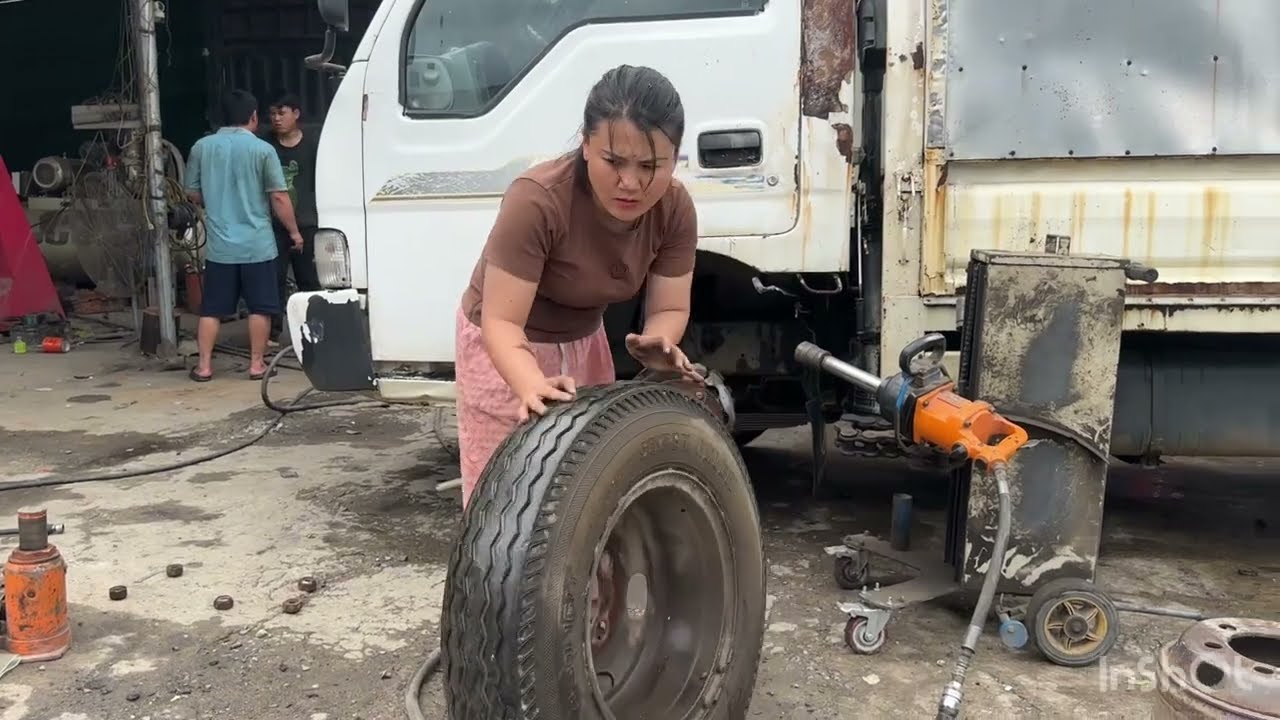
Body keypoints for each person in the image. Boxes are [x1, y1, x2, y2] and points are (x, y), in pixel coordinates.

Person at [454, 64, 702, 509]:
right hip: (506, 347)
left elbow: (669, 308)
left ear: (675, 157)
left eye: (650, 166)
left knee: (584, 490)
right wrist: (531, 385)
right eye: (614, 161)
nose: (631, 183)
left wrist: (660, 341)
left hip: (585, 342)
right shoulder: (536, 200)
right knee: (505, 499)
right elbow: (502, 321)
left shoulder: (675, 209)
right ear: (586, 144)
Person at [185, 89, 304, 381]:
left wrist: (216, 198)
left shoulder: (201, 147)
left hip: (220, 248)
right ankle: (256, 365)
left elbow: (192, 194)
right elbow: (279, 197)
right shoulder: (263, 150)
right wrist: (294, 232)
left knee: (211, 310)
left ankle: (204, 367)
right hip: (257, 245)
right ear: (253, 117)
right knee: (260, 308)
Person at [264, 90, 322, 346]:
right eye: (272, 114)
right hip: (273, 225)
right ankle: (272, 333)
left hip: (307, 222)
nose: (276, 119)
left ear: (296, 113)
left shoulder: (314, 144)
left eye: (282, 113)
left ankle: (315, 332)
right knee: (273, 279)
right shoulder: (265, 145)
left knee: (309, 280)